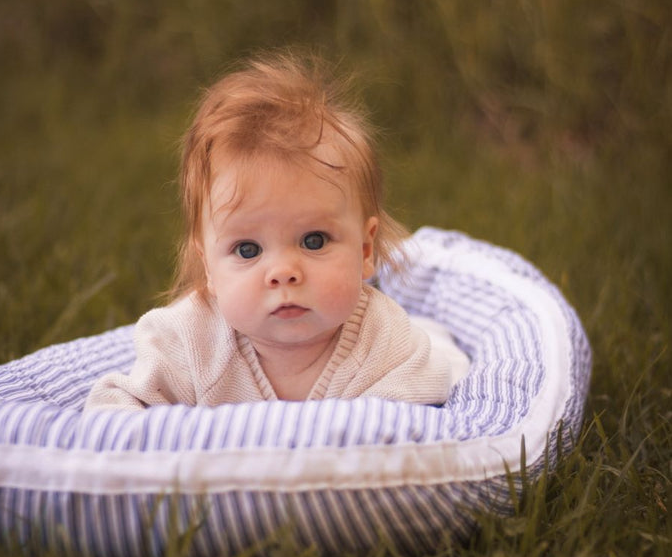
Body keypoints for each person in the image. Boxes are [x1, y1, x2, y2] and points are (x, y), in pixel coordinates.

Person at [85, 52, 469, 409]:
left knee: (445, 358)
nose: (284, 271)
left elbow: (423, 421)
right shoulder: (191, 342)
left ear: (365, 251)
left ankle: (437, 333)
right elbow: (115, 409)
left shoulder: (384, 343)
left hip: (425, 355)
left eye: (313, 241)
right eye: (248, 250)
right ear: (209, 269)